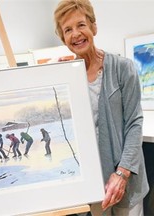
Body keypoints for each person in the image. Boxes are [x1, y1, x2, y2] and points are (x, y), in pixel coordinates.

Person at [54, 0, 149, 215]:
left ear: (93, 27)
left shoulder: (123, 68)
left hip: (126, 177)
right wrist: (58, 79)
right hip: (91, 183)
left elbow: (134, 123)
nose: (76, 34)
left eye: (81, 25)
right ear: (63, 39)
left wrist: (122, 174)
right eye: (68, 30)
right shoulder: (67, 78)